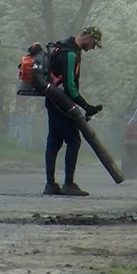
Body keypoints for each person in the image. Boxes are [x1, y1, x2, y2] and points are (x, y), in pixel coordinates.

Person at [42, 26, 103, 196]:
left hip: (52, 100)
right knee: (73, 141)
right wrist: (86, 106)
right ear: (88, 37)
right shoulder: (70, 54)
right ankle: (69, 183)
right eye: (93, 44)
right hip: (62, 103)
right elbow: (70, 87)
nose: (92, 48)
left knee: (54, 141)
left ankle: (50, 184)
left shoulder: (61, 48)